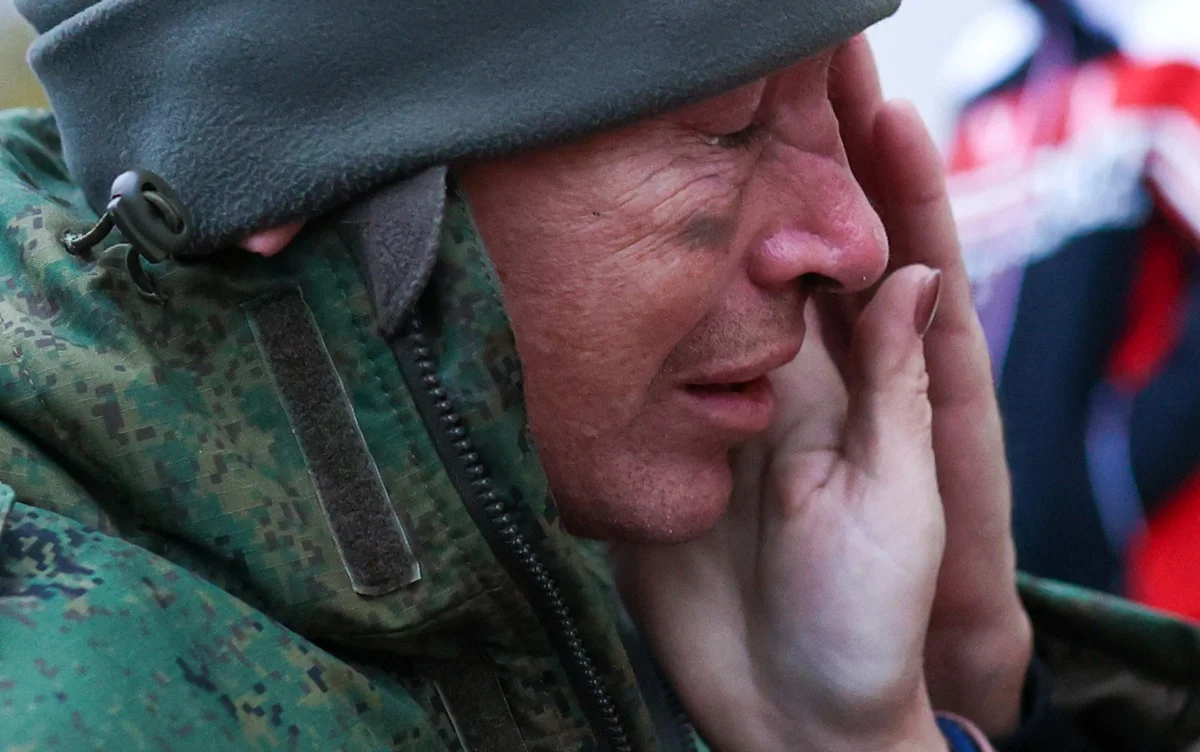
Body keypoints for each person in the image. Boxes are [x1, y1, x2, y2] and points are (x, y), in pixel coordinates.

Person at [0, 1, 1195, 750]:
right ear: (283, 163)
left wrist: (950, 689)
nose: (853, 240)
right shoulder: (77, 704)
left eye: (828, 100)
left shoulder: (600, 577)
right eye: (727, 128)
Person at [946, 0, 1200, 613]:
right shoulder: (980, 82)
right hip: (995, 554)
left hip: (1143, 569)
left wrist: (1124, 467)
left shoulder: (1164, 55)